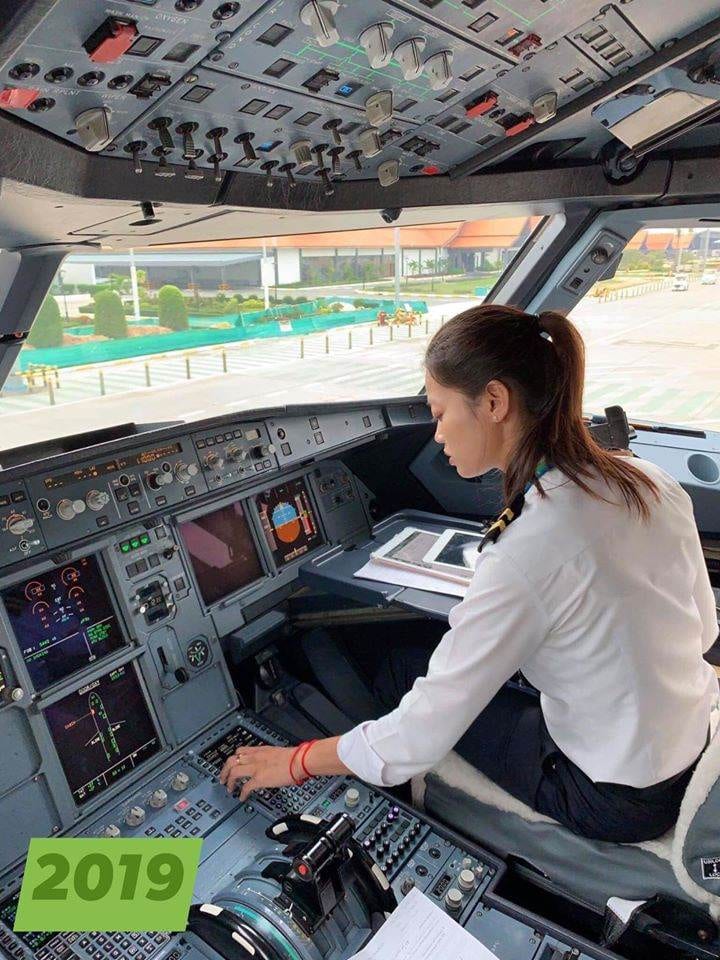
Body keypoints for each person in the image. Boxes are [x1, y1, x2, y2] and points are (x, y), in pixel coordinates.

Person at [220, 305, 719, 843]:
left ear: (495, 401)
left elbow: (414, 740)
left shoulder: (527, 548)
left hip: (612, 797)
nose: (436, 435)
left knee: (399, 672)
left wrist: (290, 763)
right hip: (686, 740)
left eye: (439, 413)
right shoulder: (648, 480)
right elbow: (706, 631)